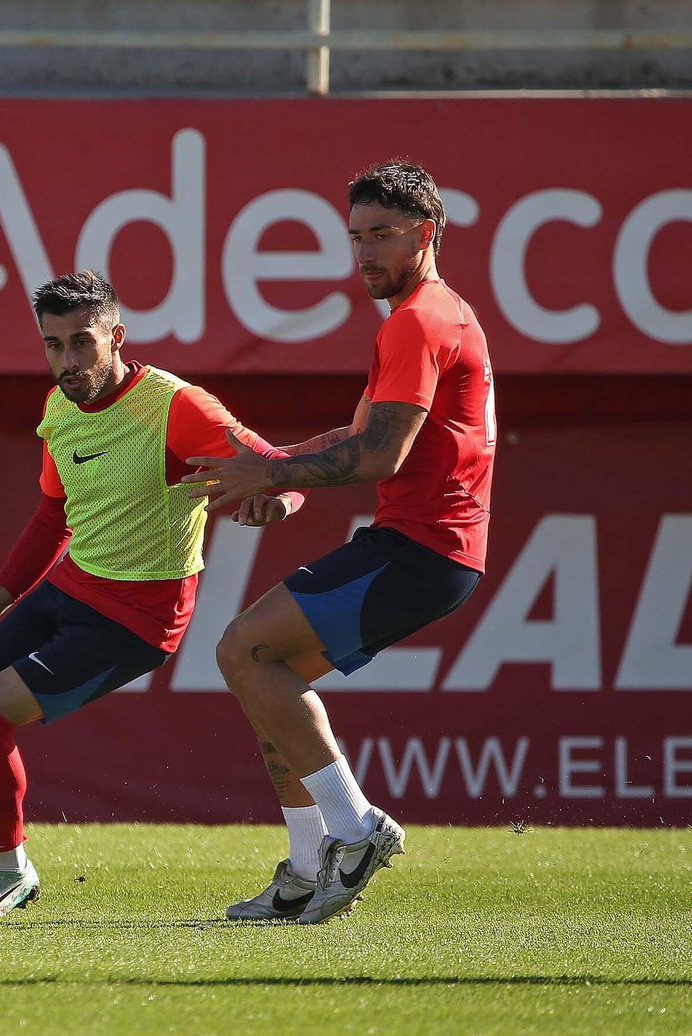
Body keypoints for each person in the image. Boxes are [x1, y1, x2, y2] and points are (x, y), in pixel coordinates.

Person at [0, 270, 304, 918]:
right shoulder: (60, 406)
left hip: (137, 620)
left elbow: (280, 464)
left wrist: (281, 500)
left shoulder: (175, 408)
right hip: (69, 589)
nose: (68, 361)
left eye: (82, 343)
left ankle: (7, 868)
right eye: (53, 345)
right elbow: (51, 517)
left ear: (116, 336)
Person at [182, 160, 494, 924]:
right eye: (356, 237)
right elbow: (361, 434)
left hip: (423, 548)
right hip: (431, 550)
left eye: (382, 236)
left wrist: (261, 472)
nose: (365, 254)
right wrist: (282, 478)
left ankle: (354, 830)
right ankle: (301, 867)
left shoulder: (420, 319)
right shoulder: (425, 315)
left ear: (426, 235)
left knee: (241, 651)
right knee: (268, 675)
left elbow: (379, 456)